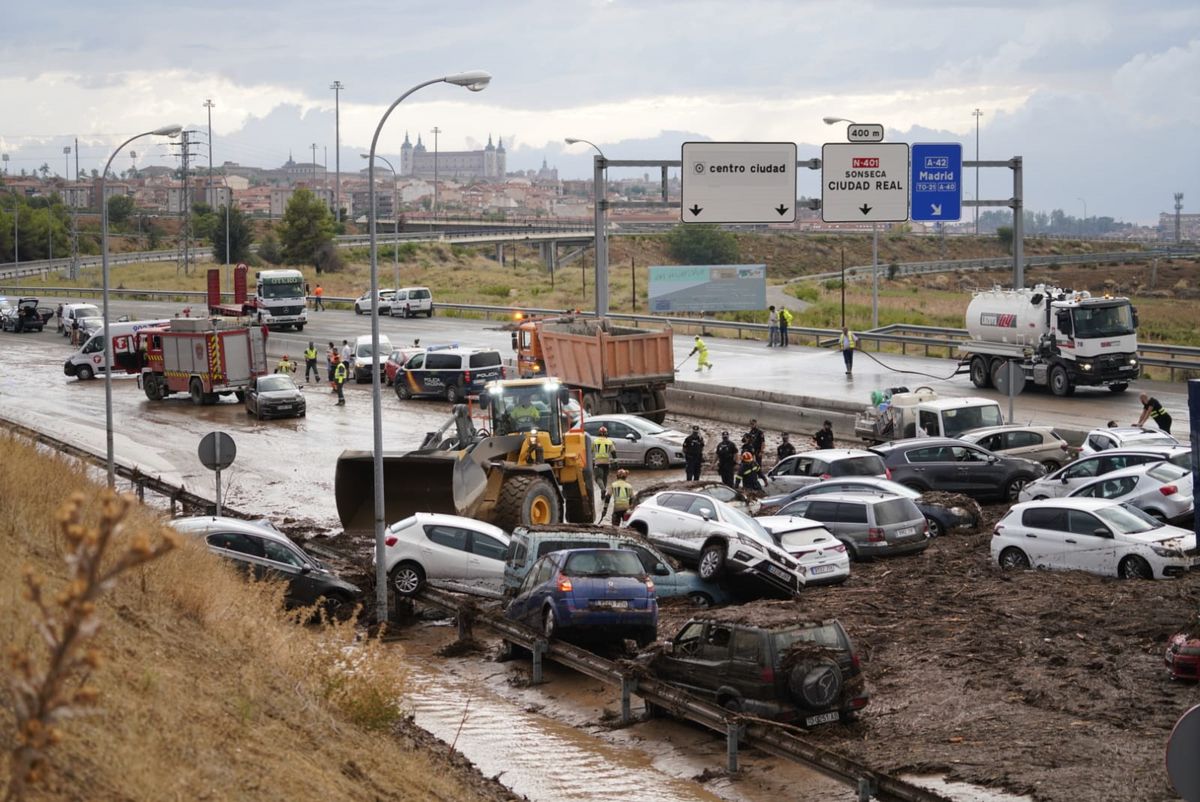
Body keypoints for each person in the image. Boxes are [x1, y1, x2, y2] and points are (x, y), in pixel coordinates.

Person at [592, 426, 616, 496]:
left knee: (598, 478)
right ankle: (603, 494)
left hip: (598, 463)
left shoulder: (595, 441)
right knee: (604, 478)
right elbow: (613, 453)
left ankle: (603, 489)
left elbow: (590, 451)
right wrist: (615, 462)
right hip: (607, 463)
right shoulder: (609, 441)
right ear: (606, 433)